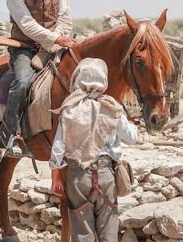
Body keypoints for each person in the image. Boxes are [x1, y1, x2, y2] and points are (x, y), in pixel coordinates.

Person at [49, 58, 138, 242]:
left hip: (77, 178)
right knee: (108, 232)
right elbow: (132, 138)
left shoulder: (70, 108)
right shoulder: (113, 107)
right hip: (106, 175)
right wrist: (130, 124)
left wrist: (56, 177)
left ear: (78, 79)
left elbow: (58, 147)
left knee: (82, 233)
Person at [0, 0, 76, 148]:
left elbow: (65, 18)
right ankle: (9, 134)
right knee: (23, 83)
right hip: (25, 47)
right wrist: (52, 40)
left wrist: (56, 40)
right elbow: (27, 24)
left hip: (57, 44)